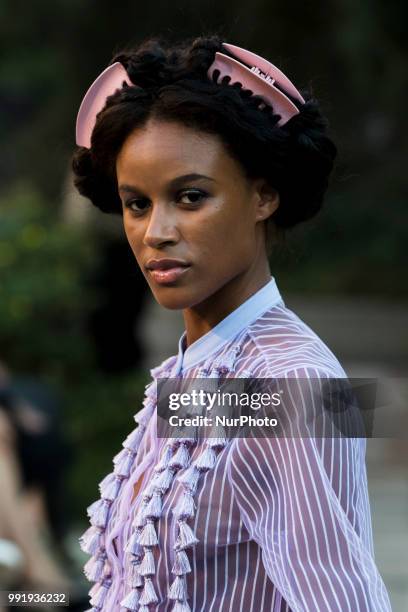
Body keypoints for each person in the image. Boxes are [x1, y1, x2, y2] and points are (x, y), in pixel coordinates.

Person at [71, 36, 392, 611]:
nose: (155, 232)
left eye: (190, 197)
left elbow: (340, 595)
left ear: (264, 195)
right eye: (136, 204)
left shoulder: (294, 379)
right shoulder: (195, 367)